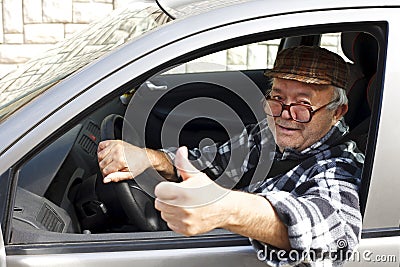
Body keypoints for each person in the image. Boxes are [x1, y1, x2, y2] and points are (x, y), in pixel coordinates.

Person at [97, 46, 364, 266]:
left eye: (303, 105)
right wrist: (149, 158)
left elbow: (337, 233)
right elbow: (216, 161)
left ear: (337, 112)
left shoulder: (340, 164)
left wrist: (224, 208)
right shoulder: (268, 132)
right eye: (277, 98)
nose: (285, 114)